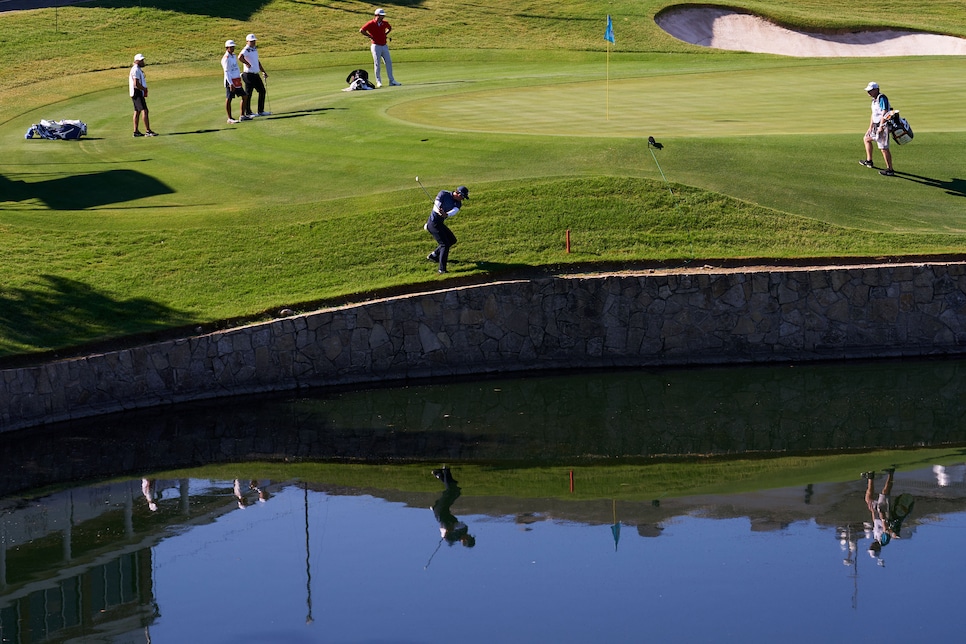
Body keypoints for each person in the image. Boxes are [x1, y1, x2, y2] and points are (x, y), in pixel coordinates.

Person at [425, 186, 469, 274]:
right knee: (444, 245)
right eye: (462, 196)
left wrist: (446, 214)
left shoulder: (458, 203)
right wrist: (439, 212)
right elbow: (436, 206)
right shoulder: (443, 193)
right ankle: (442, 269)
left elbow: (454, 211)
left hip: (440, 224)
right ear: (457, 193)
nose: (462, 199)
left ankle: (433, 256)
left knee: (452, 240)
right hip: (433, 224)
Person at [431, 467, 475, 548]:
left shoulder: (451, 539)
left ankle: (445, 470)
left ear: (465, 541)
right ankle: (439, 474)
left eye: (469, 538)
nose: (469, 536)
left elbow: (445, 531)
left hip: (440, 512)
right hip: (445, 510)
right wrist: (450, 529)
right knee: (456, 492)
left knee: (451, 491)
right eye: (470, 537)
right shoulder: (464, 529)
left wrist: (448, 531)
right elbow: (454, 526)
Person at [862, 467, 898, 563]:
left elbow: (875, 524)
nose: (871, 546)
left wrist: (873, 512)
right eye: (872, 548)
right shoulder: (884, 541)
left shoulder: (875, 538)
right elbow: (886, 530)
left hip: (877, 515)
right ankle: (891, 473)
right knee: (885, 493)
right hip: (884, 514)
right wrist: (882, 516)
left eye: (870, 547)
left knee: (868, 499)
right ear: (877, 548)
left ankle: (870, 476)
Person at [860, 82, 895, 176]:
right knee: (866, 139)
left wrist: (881, 126)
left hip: (883, 126)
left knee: (883, 148)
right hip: (875, 125)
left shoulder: (882, 98)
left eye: (870, 90)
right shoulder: (874, 100)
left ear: (876, 90)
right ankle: (869, 161)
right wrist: (870, 127)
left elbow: (885, 111)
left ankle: (890, 169)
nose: (868, 92)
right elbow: (873, 114)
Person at [359, 8, 401, 88]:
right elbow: (361, 30)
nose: (382, 17)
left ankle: (391, 81)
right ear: (376, 15)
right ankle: (378, 81)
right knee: (377, 64)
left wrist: (385, 34)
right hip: (375, 46)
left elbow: (389, 28)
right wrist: (369, 36)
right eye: (381, 15)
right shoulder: (371, 23)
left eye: (383, 16)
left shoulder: (384, 23)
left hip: (384, 45)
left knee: (388, 62)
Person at [239, 34, 270, 117]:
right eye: (251, 41)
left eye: (254, 41)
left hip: (255, 74)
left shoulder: (254, 49)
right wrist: (247, 63)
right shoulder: (246, 49)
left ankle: (260, 111)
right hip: (248, 74)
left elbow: (257, 61)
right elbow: (240, 57)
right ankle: (248, 112)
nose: (253, 42)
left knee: (262, 91)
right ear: (247, 41)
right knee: (248, 94)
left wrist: (263, 71)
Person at [222, 40, 252, 124]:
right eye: (231, 47)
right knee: (229, 98)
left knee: (244, 96)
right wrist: (231, 83)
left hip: (237, 80)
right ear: (227, 48)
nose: (232, 48)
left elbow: (235, 67)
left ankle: (242, 115)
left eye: (233, 47)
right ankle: (229, 118)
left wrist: (239, 76)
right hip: (230, 81)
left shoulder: (233, 56)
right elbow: (226, 71)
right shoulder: (226, 58)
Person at [129, 53, 157, 137]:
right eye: (141, 60)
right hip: (137, 92)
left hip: (135, 92)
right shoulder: (136, 70)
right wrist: (144, 89)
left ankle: (136, 131)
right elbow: (136, 83)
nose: (143, 62)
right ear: (137, 61)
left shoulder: (136, 69)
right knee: (144, 110)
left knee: (137, 111)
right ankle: (148, 131)